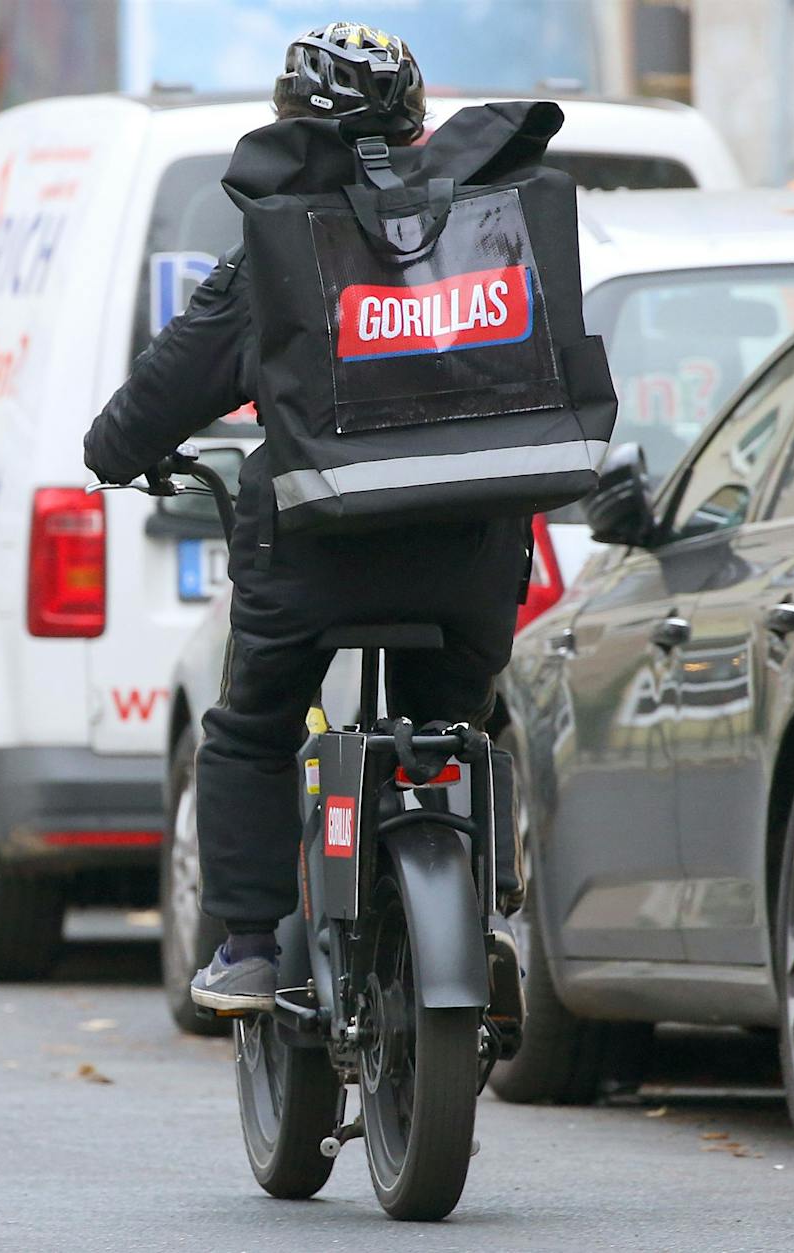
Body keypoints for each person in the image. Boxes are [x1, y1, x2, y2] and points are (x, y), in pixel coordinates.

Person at [82, 23, 530, 1014]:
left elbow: (162, 395)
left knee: (249, 728)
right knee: (461, 719)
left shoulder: (276, 244)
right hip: (467, 551)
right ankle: (488, 898)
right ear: (414, 124)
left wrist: (110, 451)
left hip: (314, 553)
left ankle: (244, 946)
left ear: (289, 122)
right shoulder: (484, 225)